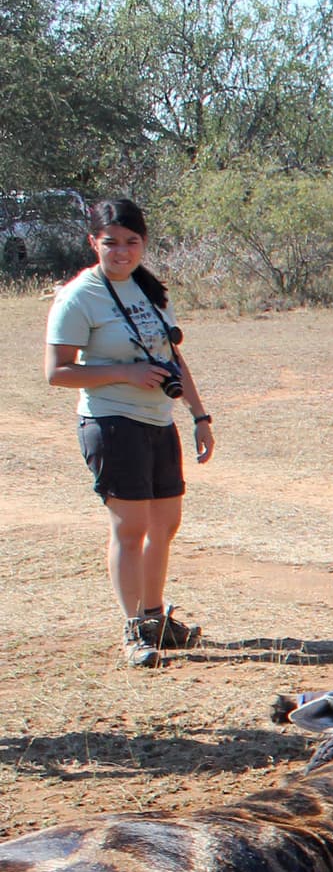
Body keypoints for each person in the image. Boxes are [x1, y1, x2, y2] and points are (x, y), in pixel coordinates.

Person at [45, 197, 214, 670]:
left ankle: (156, 617)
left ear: (143, 244)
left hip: (159, 420)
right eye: (110, 243)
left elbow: (172, 359)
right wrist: (124, 373)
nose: (121, 252)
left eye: (131, 242)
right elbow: (57, 372)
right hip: (111, 421)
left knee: (166, 524)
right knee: (131, 526)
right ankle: (133, 629)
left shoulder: (150, 291)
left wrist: (199, 414)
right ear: (92, 243)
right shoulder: (80, 296)